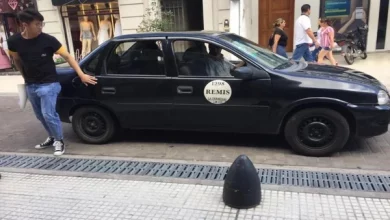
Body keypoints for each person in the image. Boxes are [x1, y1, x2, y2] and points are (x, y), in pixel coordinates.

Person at [7, 9, 97, 156]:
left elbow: (68, 56)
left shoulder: (48, 40)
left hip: (49, 84)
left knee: (49, 114)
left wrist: (81, 75)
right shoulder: (14, 42)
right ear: (25, 25)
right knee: (40, 116)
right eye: (37, 24)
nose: (40, 27)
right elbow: (17, 60)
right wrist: (25, 78)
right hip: (31, 85)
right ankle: (53, 137)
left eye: (42, 24)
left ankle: (59, 141)